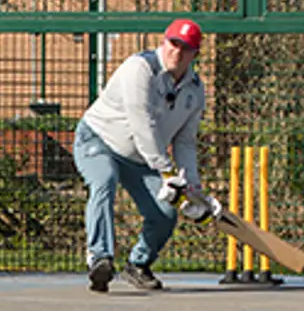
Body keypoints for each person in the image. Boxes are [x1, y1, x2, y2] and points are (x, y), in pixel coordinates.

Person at [72, 18, 211, 293]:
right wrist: (168, 173)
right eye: (173, 44)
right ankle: (99, 258)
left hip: (141, 159)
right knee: (104, 182)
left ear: (195, 54)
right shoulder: (140, 68)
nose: (177, 52)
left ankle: (138, 264)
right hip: (99, 140)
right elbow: (142, 124)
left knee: (165, 213)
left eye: (186, 48)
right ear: (164, 41)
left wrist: (192, 187)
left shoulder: (195, 91)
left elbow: (185, 143)